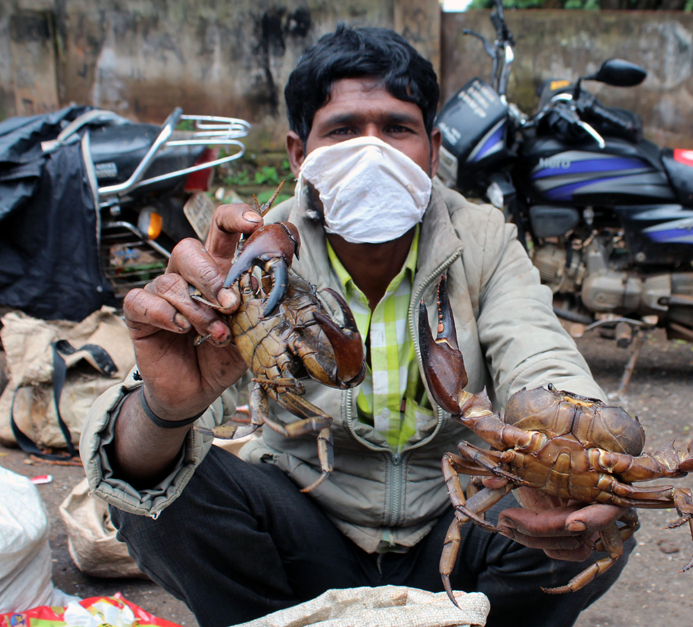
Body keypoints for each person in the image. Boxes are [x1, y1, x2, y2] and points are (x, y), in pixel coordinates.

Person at [81, 26, 634, 627]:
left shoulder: (484, 240)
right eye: (343, 130)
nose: (373, 151)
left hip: (459, 523)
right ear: (299, 153)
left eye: (397, 128)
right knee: (152, 494)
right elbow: (136, 458)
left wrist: (580, 457)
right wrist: (165, 407)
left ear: (433, 148)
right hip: (304, 528)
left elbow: (541, 356)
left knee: (596, 508)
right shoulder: (254, 257)